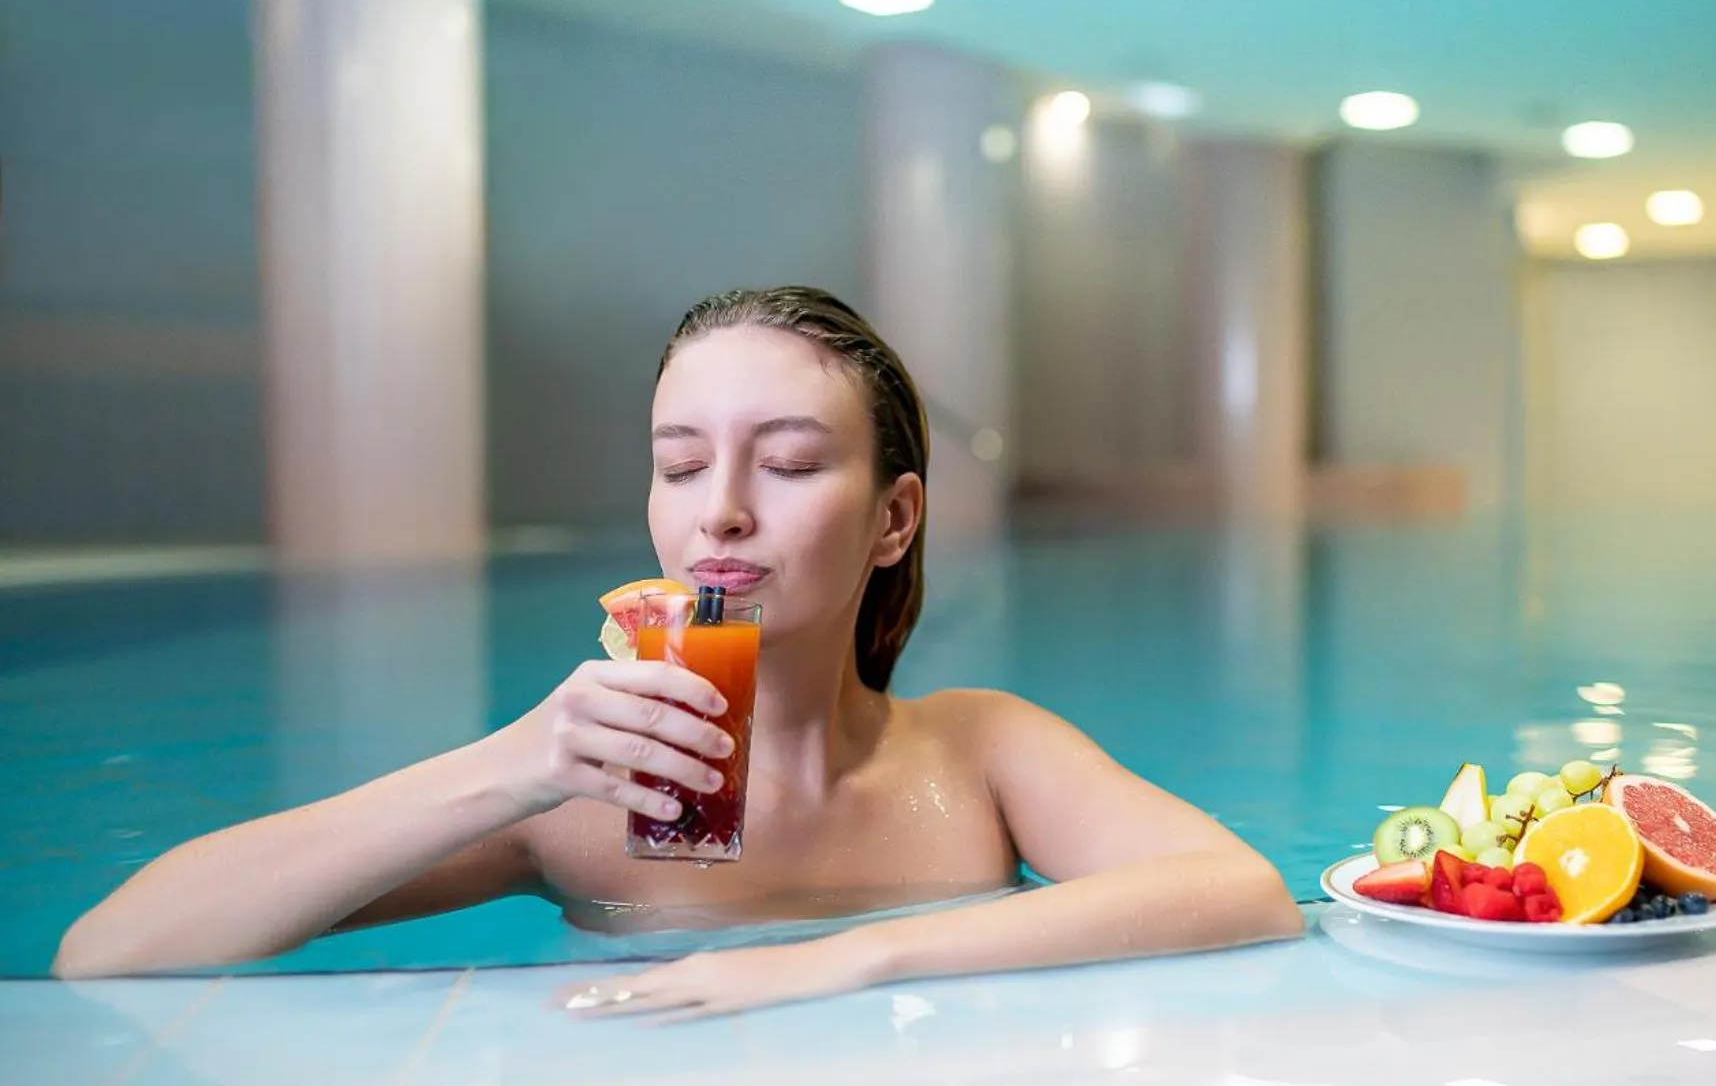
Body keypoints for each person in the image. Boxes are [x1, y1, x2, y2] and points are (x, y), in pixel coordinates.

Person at [54, 287, 1303, 1016]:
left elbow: (1241, 892)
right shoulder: (580, 809)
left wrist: (849, 956)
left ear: (893, 518)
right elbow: (109, 951)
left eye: (793, 461)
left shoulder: (979, 754)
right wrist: (510, 767)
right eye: (679, 462)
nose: (721, 511)